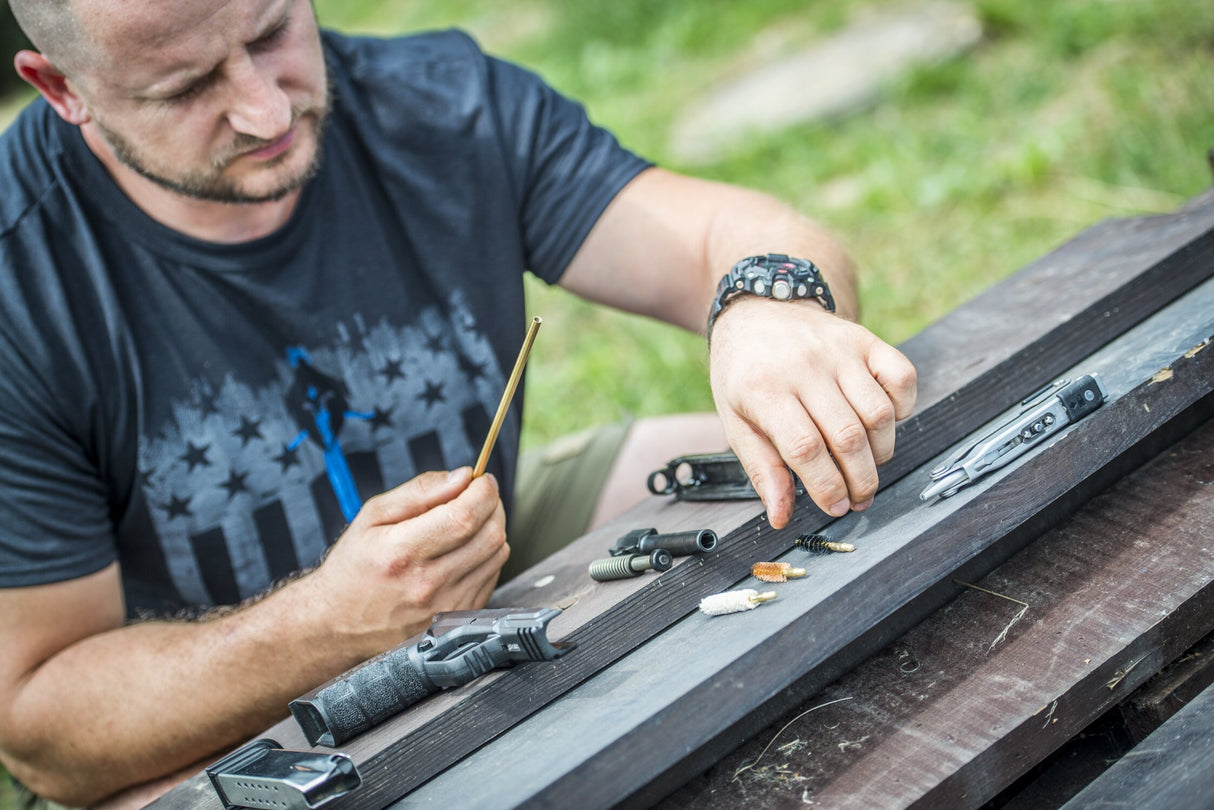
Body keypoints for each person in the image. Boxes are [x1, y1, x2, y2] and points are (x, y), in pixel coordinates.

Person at [0, 0, 917, 805]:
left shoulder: (441, 105)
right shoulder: (19, 284)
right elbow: (41, 730)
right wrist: (323, 628)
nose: (267, 109)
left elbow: (727, 231)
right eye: (185, 86)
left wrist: (768, 305)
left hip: (488, 546)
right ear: (61, 88)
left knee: (806, 460)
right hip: (211, 705)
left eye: (272, 30)